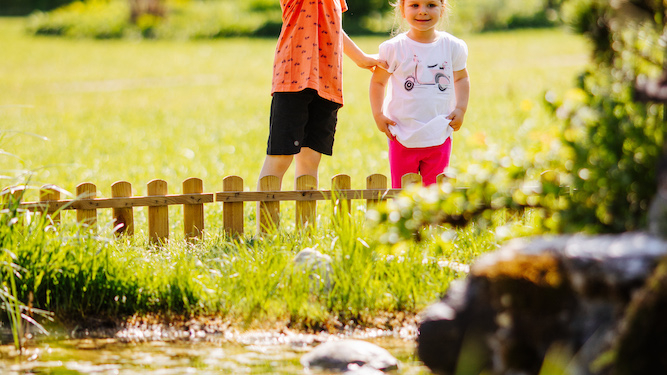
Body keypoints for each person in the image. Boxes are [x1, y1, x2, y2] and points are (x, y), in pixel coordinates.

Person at [258, 0, 379, 190]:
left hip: (327, 80)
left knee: (311, 159)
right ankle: (266, 221)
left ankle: (306, 220)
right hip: (293, 79)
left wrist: (360, 58)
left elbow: (333, 25)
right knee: (280, 157)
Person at [369, 0, 470, 188]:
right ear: (402, 9)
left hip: (439, 132)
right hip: (402, 133)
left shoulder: (452, 46)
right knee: (402, 193)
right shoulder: (394, 48)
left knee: (435, 193)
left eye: (431, 5)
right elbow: (378, 81)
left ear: (443, 8)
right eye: (414, 5)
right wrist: (378, 114)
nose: (423, 11)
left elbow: (461, 78)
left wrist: (461, 108)